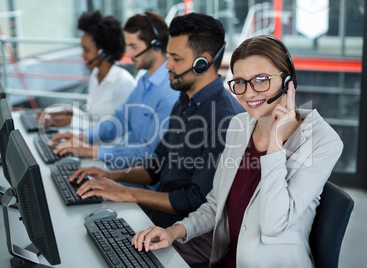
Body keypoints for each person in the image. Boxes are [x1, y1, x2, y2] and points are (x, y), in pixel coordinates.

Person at [131, 35, 344, 268]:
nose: (249, 93)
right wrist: (175, 231)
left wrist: (275, 144)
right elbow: (215, 204)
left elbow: (274, 225)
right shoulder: (239, 125)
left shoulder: (322, 141)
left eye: (261, 80)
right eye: (240, 82)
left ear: (288, 80)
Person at [69, 13, 244, 265]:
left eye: (175, 58)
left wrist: (127, 193)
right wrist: (111, 176)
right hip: (158, 219)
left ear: (202, 63)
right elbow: (156, 166)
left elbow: (195, 200)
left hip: (187, 235)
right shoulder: (184, 101)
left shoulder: (225, 119)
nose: (167, 65)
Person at [49, 11, 178, 175]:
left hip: (139, 182)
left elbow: (148, 153)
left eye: (134, 47)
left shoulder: (171, 92)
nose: (129, 54)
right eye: (127, 46)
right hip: (120, 168)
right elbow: (120, 119)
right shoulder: (144, 81)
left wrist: (92, 151)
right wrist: (84, 138)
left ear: (156, 46)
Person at [38, 11, 136, 128]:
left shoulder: (124, 84)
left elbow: (115, 130)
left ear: (103, 52)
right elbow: (93, 117)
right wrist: (69, 113)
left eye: (87, 50)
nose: (83, 55)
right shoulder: (96, 74)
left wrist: (71, 121)